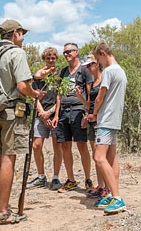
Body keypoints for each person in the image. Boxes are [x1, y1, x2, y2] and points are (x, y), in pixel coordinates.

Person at [0, 19, 48, 225]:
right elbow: (22, 86)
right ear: (15, 33)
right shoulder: (16, 52)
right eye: (22, 34)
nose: (22, 37)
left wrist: (33, 77)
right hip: (12, 112)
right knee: (8, 158)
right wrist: (34, 93)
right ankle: (3, 212)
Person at [88, 42, 127, 214]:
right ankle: (112, 194)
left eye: (98, 59)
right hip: (115, 119)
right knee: (111, 158)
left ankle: (117, 198)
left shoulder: (109, 71)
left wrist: (94, 114)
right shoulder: (121, 71)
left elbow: (99, 98)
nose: (98, 63)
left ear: (103, 54)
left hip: (105, 119)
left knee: (98, 157)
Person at [54, 43, 94, 193]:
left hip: (79, 111)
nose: (66, 54)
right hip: (64, 111)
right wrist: (57, 114)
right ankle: (71, 180)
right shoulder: (62, 72)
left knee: (82, 145)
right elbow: (58, 95)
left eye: (69, 52)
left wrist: (87, 112)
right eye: (64, 52)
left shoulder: (84, 70)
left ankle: (88, 179)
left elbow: (89, 93)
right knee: (65, 146)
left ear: (76, 52)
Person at [27, 47, 63, 190]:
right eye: (48, 58)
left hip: (55, 114)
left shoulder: (61, 75)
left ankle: (56, 177)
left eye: (53, 58)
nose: (51, 61)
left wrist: (51, 112)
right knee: (36, 145)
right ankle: (41, 176)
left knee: (57, 146)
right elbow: (34, 95)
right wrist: (42, 114)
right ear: (44, 59)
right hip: (40, 114)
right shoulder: (39, 75)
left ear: (56, 59)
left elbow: (61, 96)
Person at [75, 54, 110, 199]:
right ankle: (101, 186)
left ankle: (107, 187)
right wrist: (81, 99)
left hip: (100, 122)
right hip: (91, 120)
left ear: (97, 64)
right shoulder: (94, 82)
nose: (87, 68)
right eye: (87, 66)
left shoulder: (104, 80)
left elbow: (104, 102)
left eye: (90, 65)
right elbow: (90, 104)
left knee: (101, 156)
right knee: (96, 155)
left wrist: (94, 115)